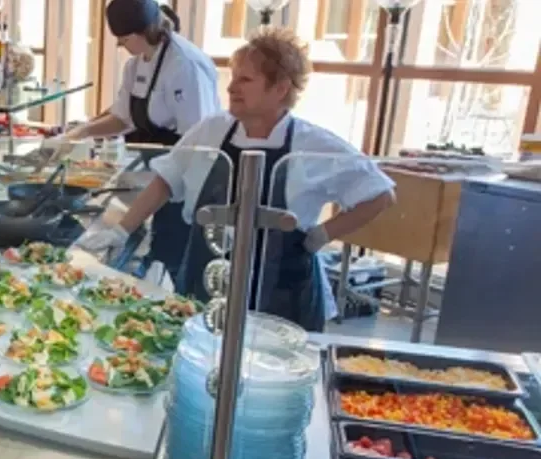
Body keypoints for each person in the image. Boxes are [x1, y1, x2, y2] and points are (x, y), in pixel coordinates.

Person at [76, 27, 395, 332]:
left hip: (283, 297)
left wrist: (323, 234)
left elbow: (380, 195)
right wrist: (120, 231)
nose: (231, 88)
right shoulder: (212, 129)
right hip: (207, 285)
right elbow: (165, 181)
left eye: (245, 79)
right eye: (233, 77)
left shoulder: (313, 144)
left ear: (281, 88)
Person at [64, 0, 219, 285]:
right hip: (156, 173)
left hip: (187, 181)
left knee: (175, 261)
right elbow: (123, 119)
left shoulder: (184, 65)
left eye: (123, 39)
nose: (121, 46)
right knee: (157, 256)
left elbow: (197, 143)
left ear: (141, 32)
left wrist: (131, 221)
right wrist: (80, 132)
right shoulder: (135, 64)